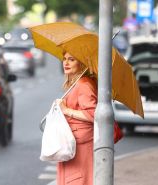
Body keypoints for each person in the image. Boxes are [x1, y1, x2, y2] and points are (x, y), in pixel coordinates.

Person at [57, 52, 97, 185]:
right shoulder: (76, 84)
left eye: (71, 59)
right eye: (64, 59)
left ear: (81, 63)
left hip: (81, 146)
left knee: (78, 180)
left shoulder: (83, 84)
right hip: (74, 144)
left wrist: (66, 110)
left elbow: (93, 113)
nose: (66, 63)